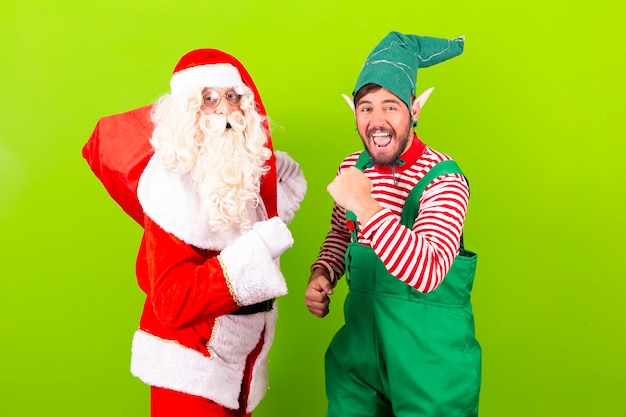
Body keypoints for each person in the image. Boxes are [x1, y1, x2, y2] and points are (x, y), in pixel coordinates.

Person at [83, 49, 306, 417]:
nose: (224, 110)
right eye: (208, 99)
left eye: (232, 96)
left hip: (239, 373)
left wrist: (271, 189)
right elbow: (173, 302)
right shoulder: (170, 189)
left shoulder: (238, 175)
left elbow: (255, 215)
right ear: (187, 111)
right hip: (189, 378)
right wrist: (257, 250)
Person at [304, 31, 481, 417]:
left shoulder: (443, 180)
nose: (377, 120)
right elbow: (340, 232)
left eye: (390, 107)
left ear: (415, 110)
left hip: (429, 364)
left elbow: (429, 270)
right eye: (365, 108)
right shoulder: (352, 168)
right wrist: (324, 272)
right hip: (360, 356)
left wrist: (365, 203)